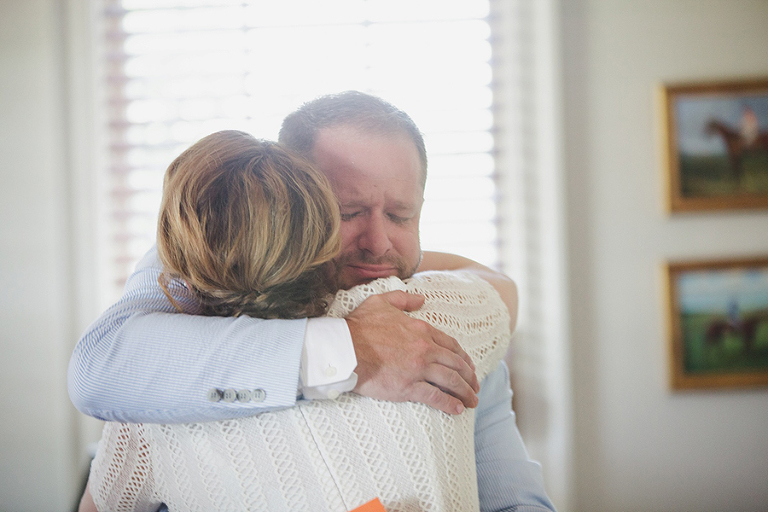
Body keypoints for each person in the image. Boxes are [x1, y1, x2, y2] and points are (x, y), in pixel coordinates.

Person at [69, 91, 555, 511]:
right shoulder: (186, 314)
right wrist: (349, 348)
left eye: (402, 216)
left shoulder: (431, 324)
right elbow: (102, 365)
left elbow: (515, 498)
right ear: (292, 205)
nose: (380, 243)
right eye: (349, 212)